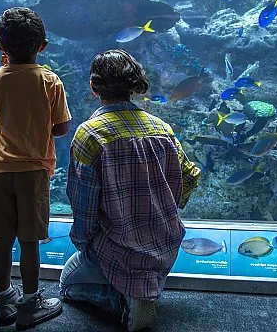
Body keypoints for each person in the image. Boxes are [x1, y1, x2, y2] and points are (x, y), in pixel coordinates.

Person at [59, 49, 201, 331]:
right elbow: (190, 176)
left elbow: (83, 206)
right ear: (135, 84)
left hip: (115, 249)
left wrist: (84, 243)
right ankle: (141, 293)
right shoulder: (162, 129)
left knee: (66, 283)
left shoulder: (90, 134)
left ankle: (122, 301)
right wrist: (165, 207)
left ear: (93, 86)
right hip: (164, 247)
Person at [0, 7, 71, 329]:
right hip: (34, 170)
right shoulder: (50, 81)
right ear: (43, 45)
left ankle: (5, 299)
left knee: (2, 239)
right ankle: (31, 303)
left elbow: (4, 106)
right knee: (29, 241)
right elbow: (61, 128)